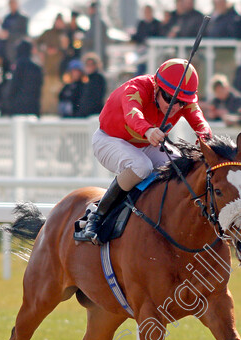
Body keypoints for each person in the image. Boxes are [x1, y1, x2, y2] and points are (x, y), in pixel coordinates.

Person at [75, 58, 212, 244]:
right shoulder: (135, 88)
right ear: (156, 86)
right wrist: (147, 130)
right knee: (142, 166)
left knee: (180, 165)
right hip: (109, 140)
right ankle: (97, 215)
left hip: (145, 144)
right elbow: (133, 114)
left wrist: (206, 139)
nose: (175, 107)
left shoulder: (181, 101)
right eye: (170, 99)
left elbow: (199, 119)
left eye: (181, 102)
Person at [0, 0, 29, 92]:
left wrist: (9, 35)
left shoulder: (23, 18)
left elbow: (24, 35)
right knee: (5, 81)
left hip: (17, 54)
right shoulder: (6, 18)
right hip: (6, 54)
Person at [5, 40, 42, 117]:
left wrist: (7, 101)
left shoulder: (18, 66)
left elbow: (13, 86)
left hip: (17, 106)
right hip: (33, 106)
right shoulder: (36, 68)